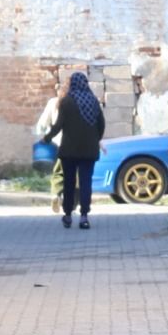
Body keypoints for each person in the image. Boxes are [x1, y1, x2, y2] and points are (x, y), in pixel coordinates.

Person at [45, 69, 105, 228]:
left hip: (69, 151)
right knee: (86, 182)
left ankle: (68, 215)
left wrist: (47, 137)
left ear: (72, 84)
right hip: (89, 151)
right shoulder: (93, 101)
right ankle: (84, 216)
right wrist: (95, 139)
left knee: (69, 183)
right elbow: (101, 125)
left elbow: (58, 126)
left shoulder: (67, 102)